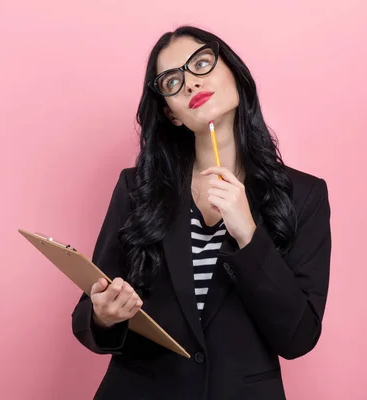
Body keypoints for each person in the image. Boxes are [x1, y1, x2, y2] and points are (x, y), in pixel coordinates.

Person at [71, 25, 331, 400]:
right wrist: (104, 316)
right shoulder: (136, 188)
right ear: (172, 114)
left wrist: (248, 236)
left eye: (202, 64)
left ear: (236, 77)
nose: (190, 83)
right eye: (173, 82)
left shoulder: (305, 194)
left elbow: (298, 337)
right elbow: (88, 313)